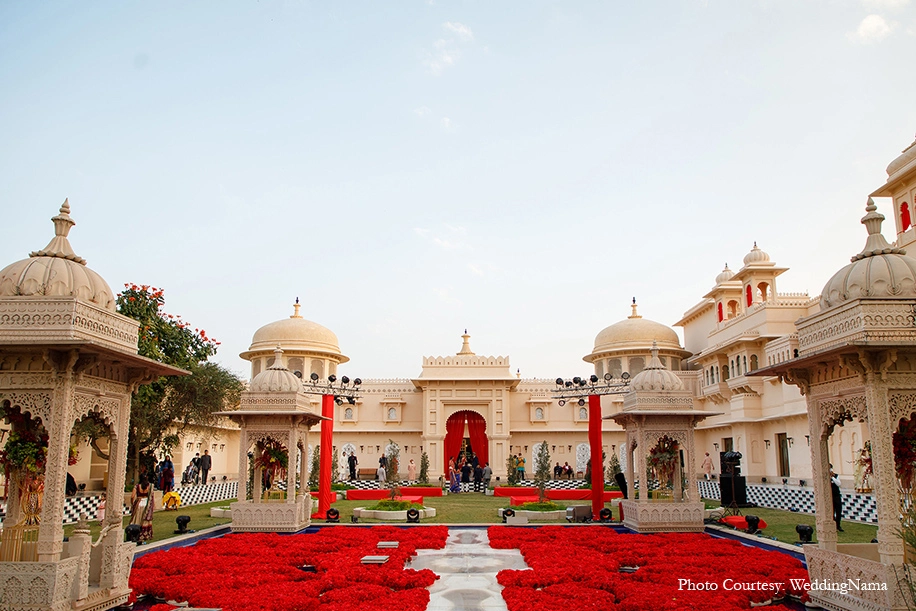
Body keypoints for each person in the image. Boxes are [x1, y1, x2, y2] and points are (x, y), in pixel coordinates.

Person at [129, 474, 155, 542]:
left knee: (137, 518)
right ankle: (145, 534)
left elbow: (132, 496)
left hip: (139, 503)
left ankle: (135, 533)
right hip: (146, 504)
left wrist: (132, 503)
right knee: (144, 519)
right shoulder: (149, 486)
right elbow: (152, 497)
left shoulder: (137, 486)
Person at [830, 465, 844, 532]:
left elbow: (838, 484)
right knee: (831, 512)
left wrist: (832, 477)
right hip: (830, 496)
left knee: (838, 511)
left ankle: (838, 525)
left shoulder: (836, 476)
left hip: (836, 496)